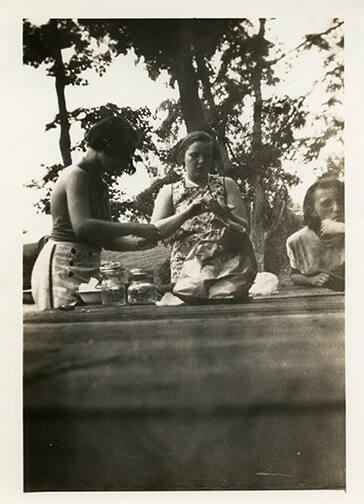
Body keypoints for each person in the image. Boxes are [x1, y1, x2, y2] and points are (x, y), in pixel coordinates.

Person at [31, 115, 160, 310]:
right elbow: (83, 227)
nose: (126, 161)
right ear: (106, 145)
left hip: (87, 267)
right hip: (62, 265)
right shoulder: (76, 175)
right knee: (59, 327)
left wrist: (139, 244)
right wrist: (137, 227)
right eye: (125, 153)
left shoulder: (100, 184)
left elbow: (104, 239)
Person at [151, 130, 253, 290]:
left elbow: (245, 229)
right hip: (185, 270)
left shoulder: (227, 185)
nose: (201, 161)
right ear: (182, 157)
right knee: (190, 311)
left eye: (207, 156)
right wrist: (185, 215)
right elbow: (154, 232)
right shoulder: (169, 191)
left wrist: (224, 214)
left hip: (224, 267)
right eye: (194, 155)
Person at [286, 176, 345, 291]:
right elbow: (294, 275)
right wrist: (311, 280)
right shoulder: (298, 240)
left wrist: (344, 228)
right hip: (320, 300)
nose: (336, 208)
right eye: (327, 204)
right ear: (312, 210)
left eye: (340, 202)